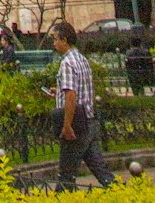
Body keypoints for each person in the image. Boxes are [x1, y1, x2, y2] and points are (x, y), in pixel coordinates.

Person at [49, 20, 115, 191]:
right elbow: (79, 89)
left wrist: (67, 125)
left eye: (55, 39)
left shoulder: (67, 63)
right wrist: (58, 91)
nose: (54, 43)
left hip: (76, 125)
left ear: (64, 40)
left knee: (66, 173)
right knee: (100, 169)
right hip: (89, 120)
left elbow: (71, 95)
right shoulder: (82, 59)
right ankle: (121, 192)